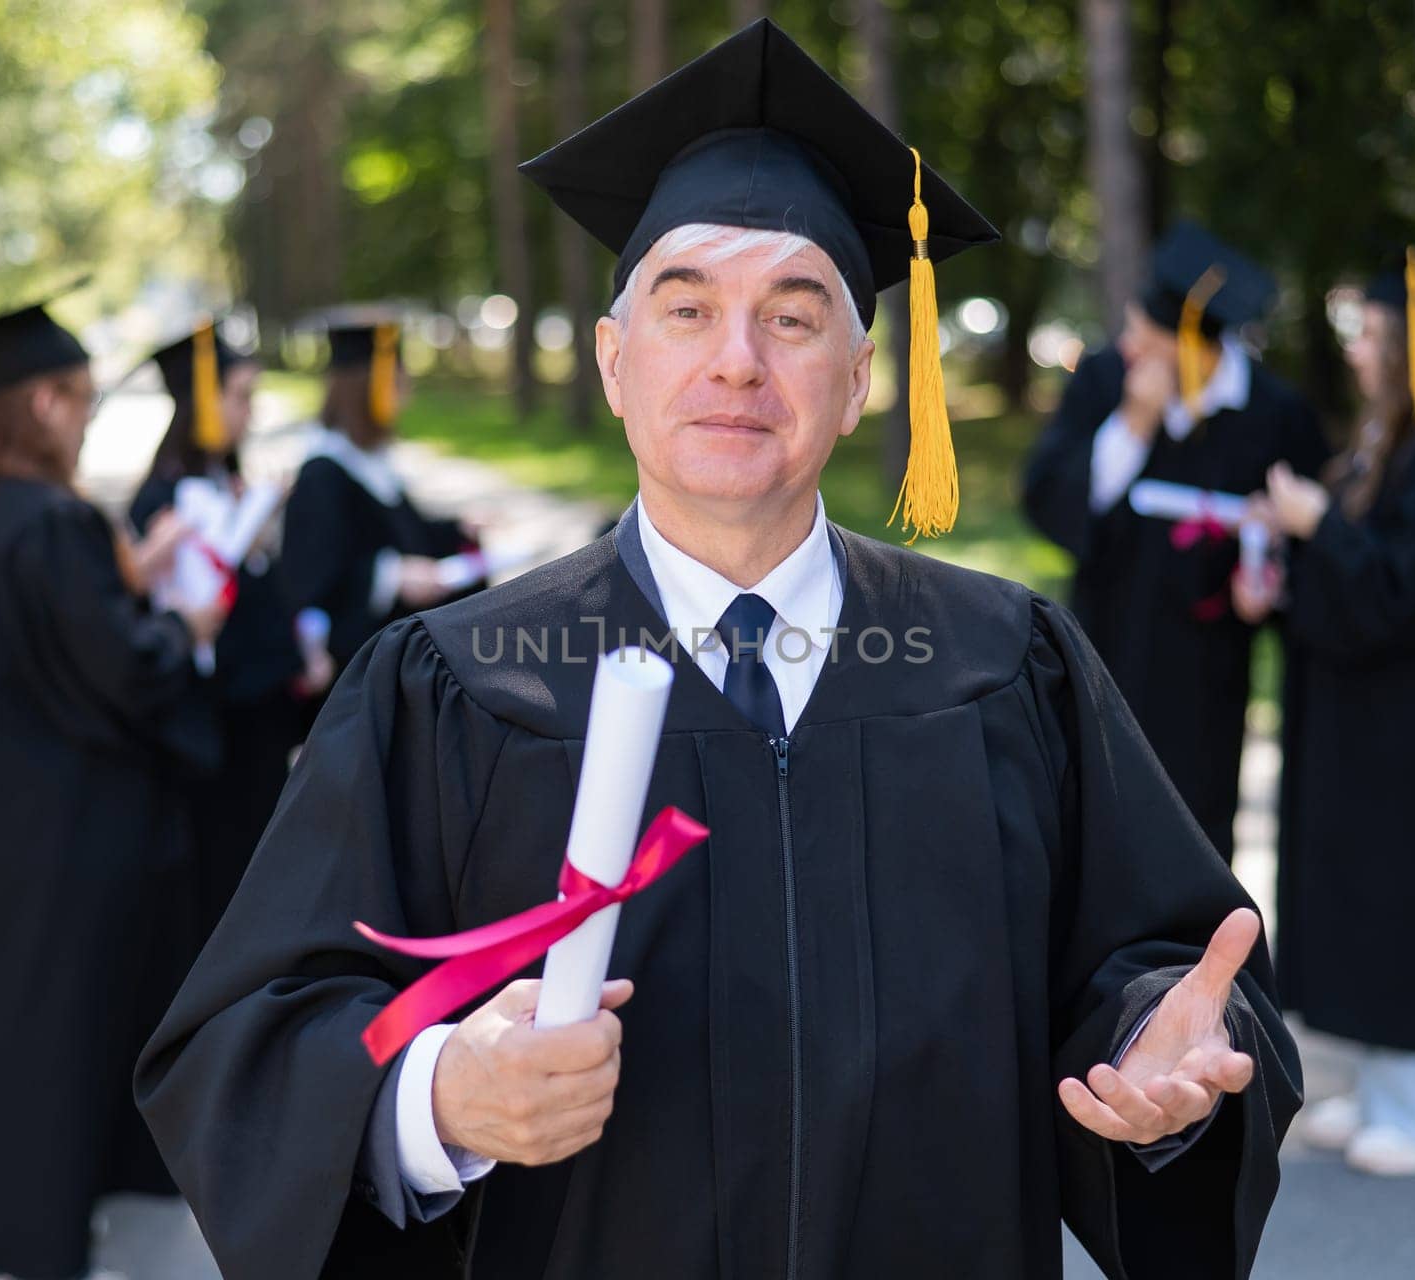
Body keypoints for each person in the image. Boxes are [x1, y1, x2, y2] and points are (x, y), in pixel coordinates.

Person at [137, 21, 1300, 1280]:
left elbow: (1156, 968)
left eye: (792, 318)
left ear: (859, 379)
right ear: (614, 361)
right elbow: (246, 1038)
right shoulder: (456, 681)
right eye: (686, 307)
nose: (736, 361)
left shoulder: (1003, 664)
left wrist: (1155, 1045)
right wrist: (436, 1100)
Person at [0, 291, 226, 1278]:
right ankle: (86, 1198)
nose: (86, 416)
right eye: (78, 397)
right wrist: (185, 628)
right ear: (39, 404)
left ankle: (12, 1218)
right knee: (68, 1028)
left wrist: (126, 572)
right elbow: (124, 672)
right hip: (65, 845)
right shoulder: (50, 525)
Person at [1233, 248, 1415, 1177]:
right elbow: (1348, 591)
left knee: (1411, 903)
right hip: (1366, 726)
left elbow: (1397, 592)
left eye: (1377, 337)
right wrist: (1284, 565)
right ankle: (1389, 1090)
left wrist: (1320, 528)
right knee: (1362, 895)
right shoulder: (1378, 450)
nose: (1358, 354)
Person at [1022, 224, 1329, 860]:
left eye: (1146, 336)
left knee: (1194, 835)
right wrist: (1133, 423)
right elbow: (1049, 499)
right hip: (1105, 646)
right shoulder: (1108, 382)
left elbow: (1302, 550)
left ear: (1192, 347)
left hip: (1205, 675)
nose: (1128, 344)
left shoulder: (1274, 415)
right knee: (1090, 823)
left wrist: (1271, 584)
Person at [127, 321, 333, 944]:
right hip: (217, 735)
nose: (251, 410)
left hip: (258, 719)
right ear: (202, 401)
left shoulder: (228, 480)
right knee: (225, 891)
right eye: (240, 395)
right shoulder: (162, 502)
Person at [281, 312, 484, 676]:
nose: (405, 395)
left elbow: (402, 531)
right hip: (362, 666)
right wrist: (390, 577)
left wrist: (457, 528)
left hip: (400, 642)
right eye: (397, 383)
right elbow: (316, 582)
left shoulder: (372, 459)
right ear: (366, 388)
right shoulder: (322, 474)